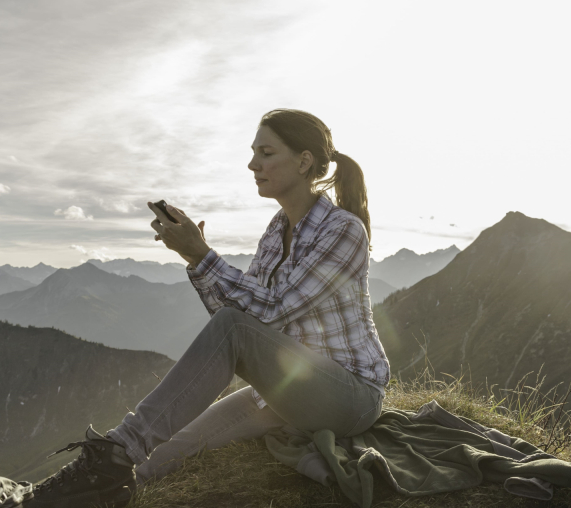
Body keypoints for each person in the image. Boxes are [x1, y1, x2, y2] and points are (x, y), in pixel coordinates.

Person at [25, 109, 391, 508]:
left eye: (266, 153)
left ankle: (117, 448)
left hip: (349, 396)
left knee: (136, 445)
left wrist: (203, 254)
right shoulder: (275, 231)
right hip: (286, 391)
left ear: (304, 161)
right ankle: (72, 491)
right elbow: (236, 319)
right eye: (253, 153)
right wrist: (195, 259)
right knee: (154, 462)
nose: (253, 164)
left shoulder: (343, 230)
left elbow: (271, 313)